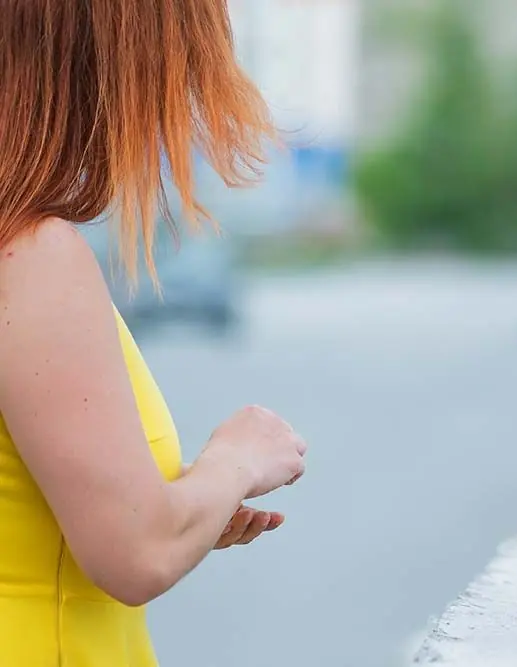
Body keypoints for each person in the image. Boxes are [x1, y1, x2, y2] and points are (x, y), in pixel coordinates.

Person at [0, 2, 308, 665]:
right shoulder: (30, 255)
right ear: (101, 68)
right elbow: (138, 552)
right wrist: (237, 457)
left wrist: (184, 507)